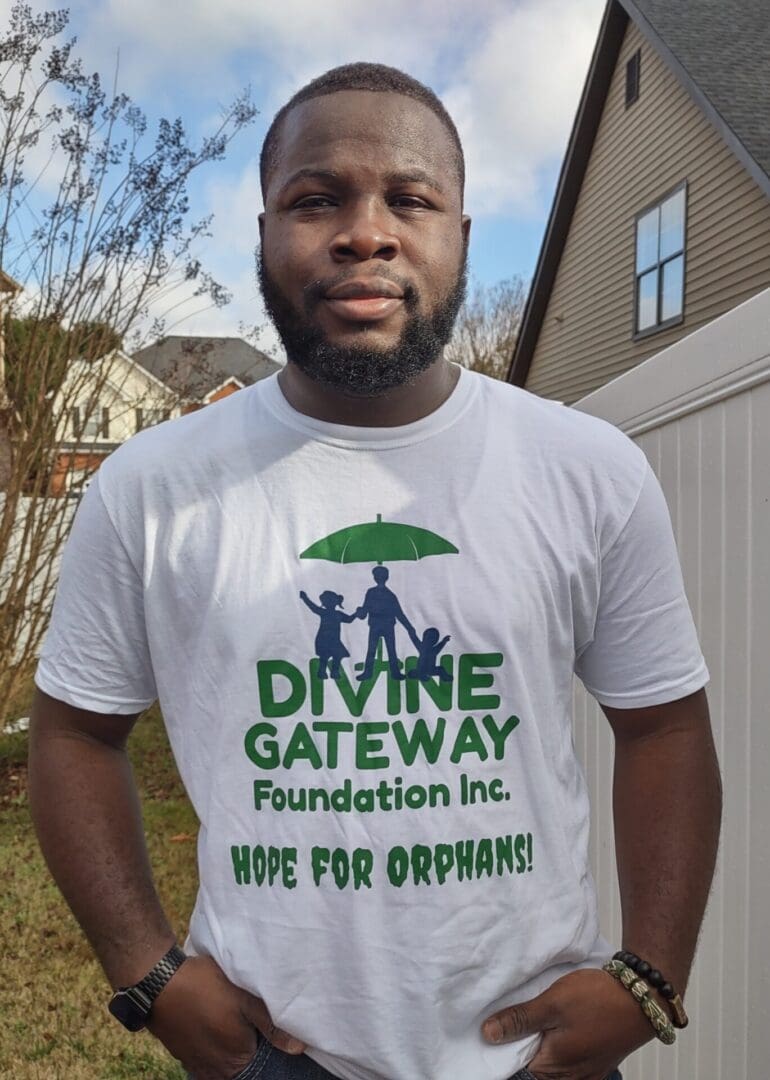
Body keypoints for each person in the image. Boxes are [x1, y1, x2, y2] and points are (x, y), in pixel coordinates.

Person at [28, 62, 721, 1080]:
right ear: (262, 235)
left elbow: (662, 723)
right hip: (279, 1052)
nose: (364, 231)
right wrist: (147, 970)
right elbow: (75, 732)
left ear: (462, 240)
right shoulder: (151, 487)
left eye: (408, 198)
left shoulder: (584, 469)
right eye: (315, 200)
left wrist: (650, 975)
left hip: (532, 1050)